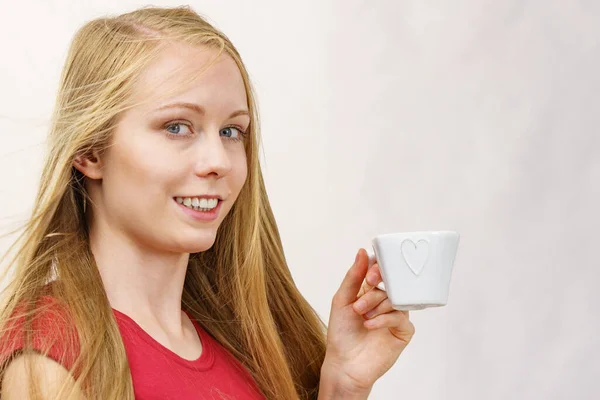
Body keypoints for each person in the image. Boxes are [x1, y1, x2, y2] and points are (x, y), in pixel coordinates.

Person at [0, 5, 415, 400]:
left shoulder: (252, 347)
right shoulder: (51, 353)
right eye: (177, 126)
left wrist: (342, 385)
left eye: (232, 131)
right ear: (90, 152)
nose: (219, 162)